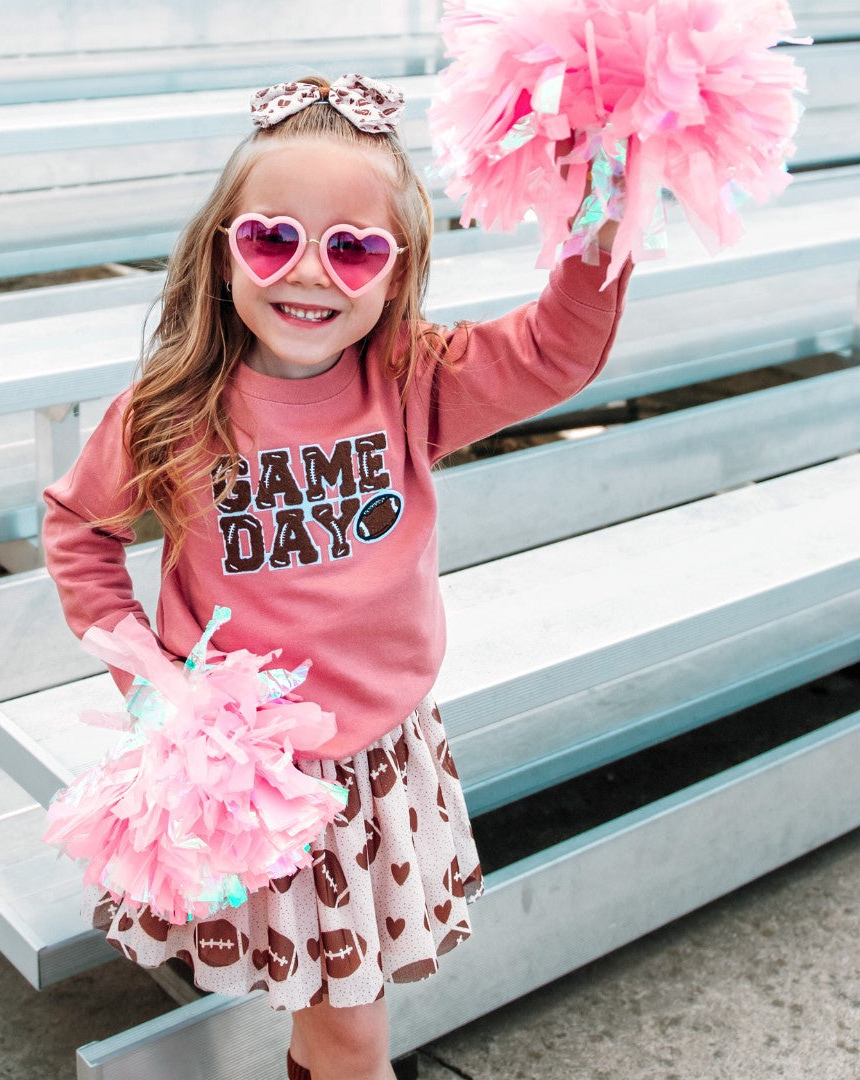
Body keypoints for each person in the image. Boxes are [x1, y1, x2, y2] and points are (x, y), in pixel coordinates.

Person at [42, 73, 630, 1080]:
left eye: (353, 249)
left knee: (332, 1014)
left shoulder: (414, 379)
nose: (309, 275)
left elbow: (556, 351)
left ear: (394, 274)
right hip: (253, 778)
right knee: (350, 1025)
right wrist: (150, 684)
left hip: (380, 764)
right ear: (226, 245)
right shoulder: (172, 408)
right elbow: (77, 530)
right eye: (273, 238)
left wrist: (598, 207)